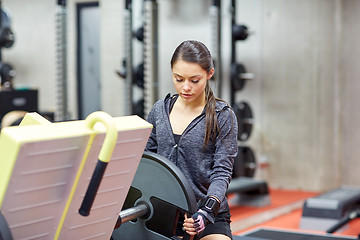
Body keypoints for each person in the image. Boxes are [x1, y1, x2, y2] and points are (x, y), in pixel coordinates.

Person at [145, 40, 238, 240]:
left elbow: (222, 172)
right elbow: (146, 161)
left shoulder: (223, 116)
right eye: (178, 79)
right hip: (162, 212)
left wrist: (206, 211)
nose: (185, 87)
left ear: (209, 74)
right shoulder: (159, 111)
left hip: (206, 214)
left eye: (194, 80)